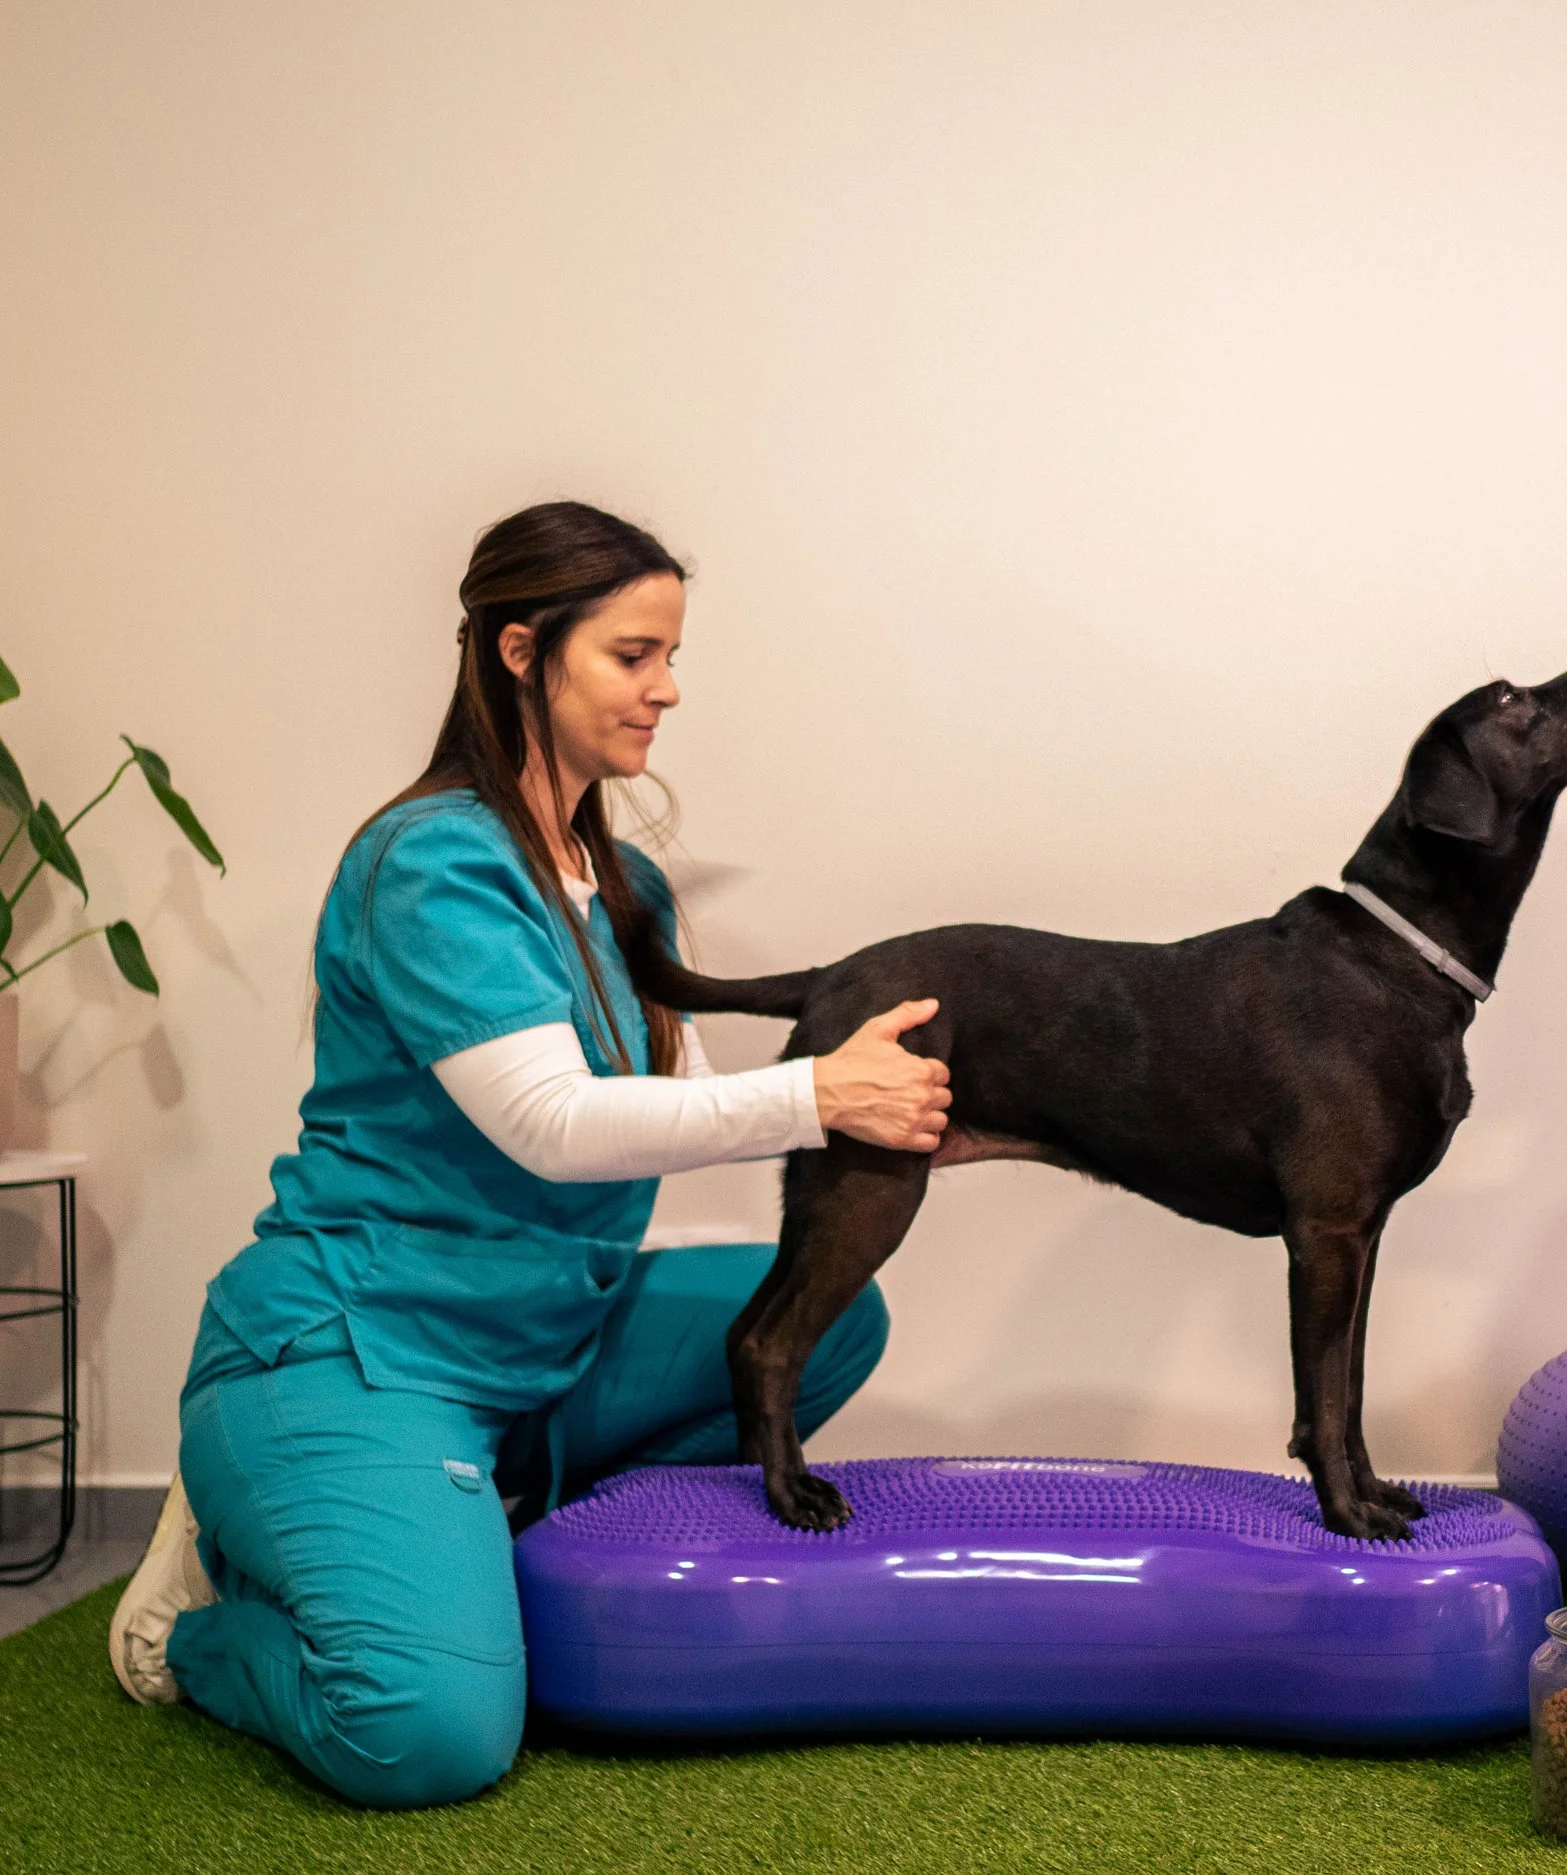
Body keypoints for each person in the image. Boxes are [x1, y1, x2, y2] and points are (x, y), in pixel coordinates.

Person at [105, 501, 954, 1808]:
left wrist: (927, 1099)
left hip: (533, 1347)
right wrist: (821, 1093)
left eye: (673, 655)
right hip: (353, 1348)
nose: (667, 689)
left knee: (824, 1321)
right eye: (633, 655)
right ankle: (205, 1613)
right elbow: (554, 1125)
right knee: (431, 1732)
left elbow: (695, 1108)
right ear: (519, 651)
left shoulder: (629, 893)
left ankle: (471, 1527)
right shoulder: (432, 862)